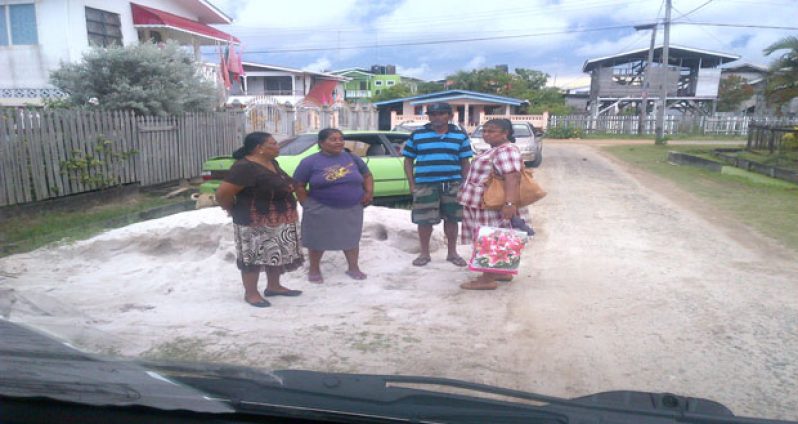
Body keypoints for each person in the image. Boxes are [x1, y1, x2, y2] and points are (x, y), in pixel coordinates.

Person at [215, 132, 304, 308]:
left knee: (275, 253)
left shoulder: (271, 162)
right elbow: (222, 194)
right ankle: (251, 293)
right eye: (273, 143)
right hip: (254, 220)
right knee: (253, 256)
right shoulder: (245, 167)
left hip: (281, 218)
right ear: (259, 148)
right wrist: (230, 208)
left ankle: (274, 286)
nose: (278, 146)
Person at [293, 128, 374, 283]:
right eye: (333, 139)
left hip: (352, 207)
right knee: (318, 239)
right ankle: (314, 269)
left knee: (351, 238)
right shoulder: (309, 162)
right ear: (321, 143)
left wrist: (368, 192)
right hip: (321, 207)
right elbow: (299, 184)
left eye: (340, 139)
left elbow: (367, 175)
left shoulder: (352, 158)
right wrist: (306, 203)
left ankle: (353, 267)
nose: (338, 142)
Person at [457, 119, 526, 290]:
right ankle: (501, 271)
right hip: (484, 203)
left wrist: (510, 203)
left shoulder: (506, 150)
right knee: (497, 236)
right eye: (485, 130)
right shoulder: (495, 150)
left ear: (505, 133)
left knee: (489, 238)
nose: (487, 134)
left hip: (491, 204)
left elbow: (512, 177)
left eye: (492, 131)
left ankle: (487, 279)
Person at [402, 102, 473, 267]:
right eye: (433, 114)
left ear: (450, 116)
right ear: (429, 117)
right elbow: (408, 161)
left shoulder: (460, 137)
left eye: (441, 114)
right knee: (424, 221)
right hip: (425, 185)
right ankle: (424, 254)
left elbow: (465, 162)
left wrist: (465, 184)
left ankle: (452, 253)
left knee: (452, 220)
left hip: (452, 185)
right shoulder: (417, 135)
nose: (437, 117)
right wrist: (412, 184)